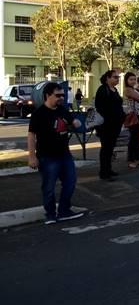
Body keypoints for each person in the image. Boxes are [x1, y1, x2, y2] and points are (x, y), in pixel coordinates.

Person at [27, 82, 84, 224]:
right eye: (57, 95)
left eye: (62, 95)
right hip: (47, 157)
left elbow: (72, 121)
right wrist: (32, 156)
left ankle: (64, 210)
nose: (61, 98)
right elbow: (31, 135)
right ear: (47, 95)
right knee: (49, 187)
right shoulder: (39, 114)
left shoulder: (62, 110)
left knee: (70, 182)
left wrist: (76, 122)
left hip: (64, 154)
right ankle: (51, 214)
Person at [94, 69, 124, 181]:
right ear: (108, 78)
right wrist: (110, 117)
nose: (117, 79)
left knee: (110, 148)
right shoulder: (102, 89)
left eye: (118, 77)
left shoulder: (114, 89)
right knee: (106, 149)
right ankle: (104, 172)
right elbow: (100, 107)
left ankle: (108, 169)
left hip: (115, 124)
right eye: (115, 77)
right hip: (106, 126)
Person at [122, 71, 139, 169]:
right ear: (126, 80)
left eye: (134, 79)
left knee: (136, 138)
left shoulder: (133, 89)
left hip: (138, 115)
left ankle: (136, 159)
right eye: (131, 79)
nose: (133, 81)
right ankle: (130, 160)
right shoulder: (128, 90)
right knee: (133, 139)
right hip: (132, 116)